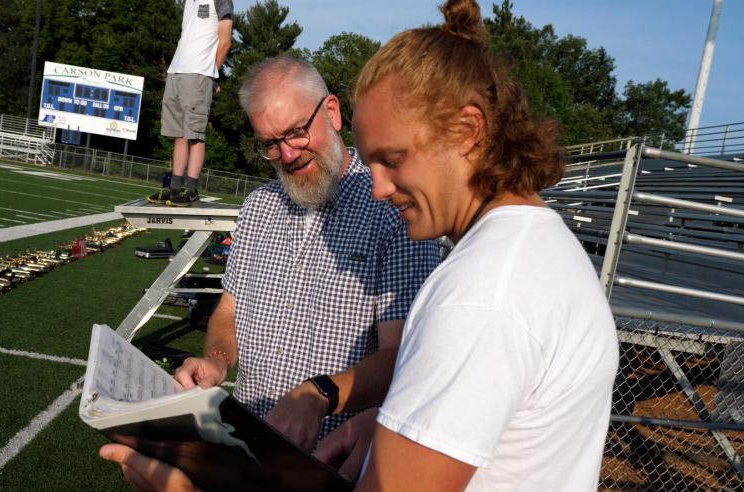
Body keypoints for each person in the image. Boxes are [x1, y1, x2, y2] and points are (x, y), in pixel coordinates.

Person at [100, 1, 619, 490]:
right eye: (270, 144)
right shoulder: (529, 253)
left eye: (392, 159)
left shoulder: (483, 293)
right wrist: (382, 423)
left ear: (467, 130)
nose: (379, 187)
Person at [99, 55, 440, 483]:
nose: (288, 154)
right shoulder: (259, 207)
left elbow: (402, 357)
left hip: (331, 461)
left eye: (296, 132)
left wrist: (319, 396)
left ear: (332, 112)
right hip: (245, 448)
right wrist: (217, 361)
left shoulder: (393, 212)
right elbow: (228, 313)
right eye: (271, 144)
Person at [158, 0, 233, 206]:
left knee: (195, 135)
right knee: (180, 134)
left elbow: (225, 41)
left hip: (199, 73)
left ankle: (190, 190)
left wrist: (211, 75)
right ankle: (174, 189)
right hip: (176, 70)